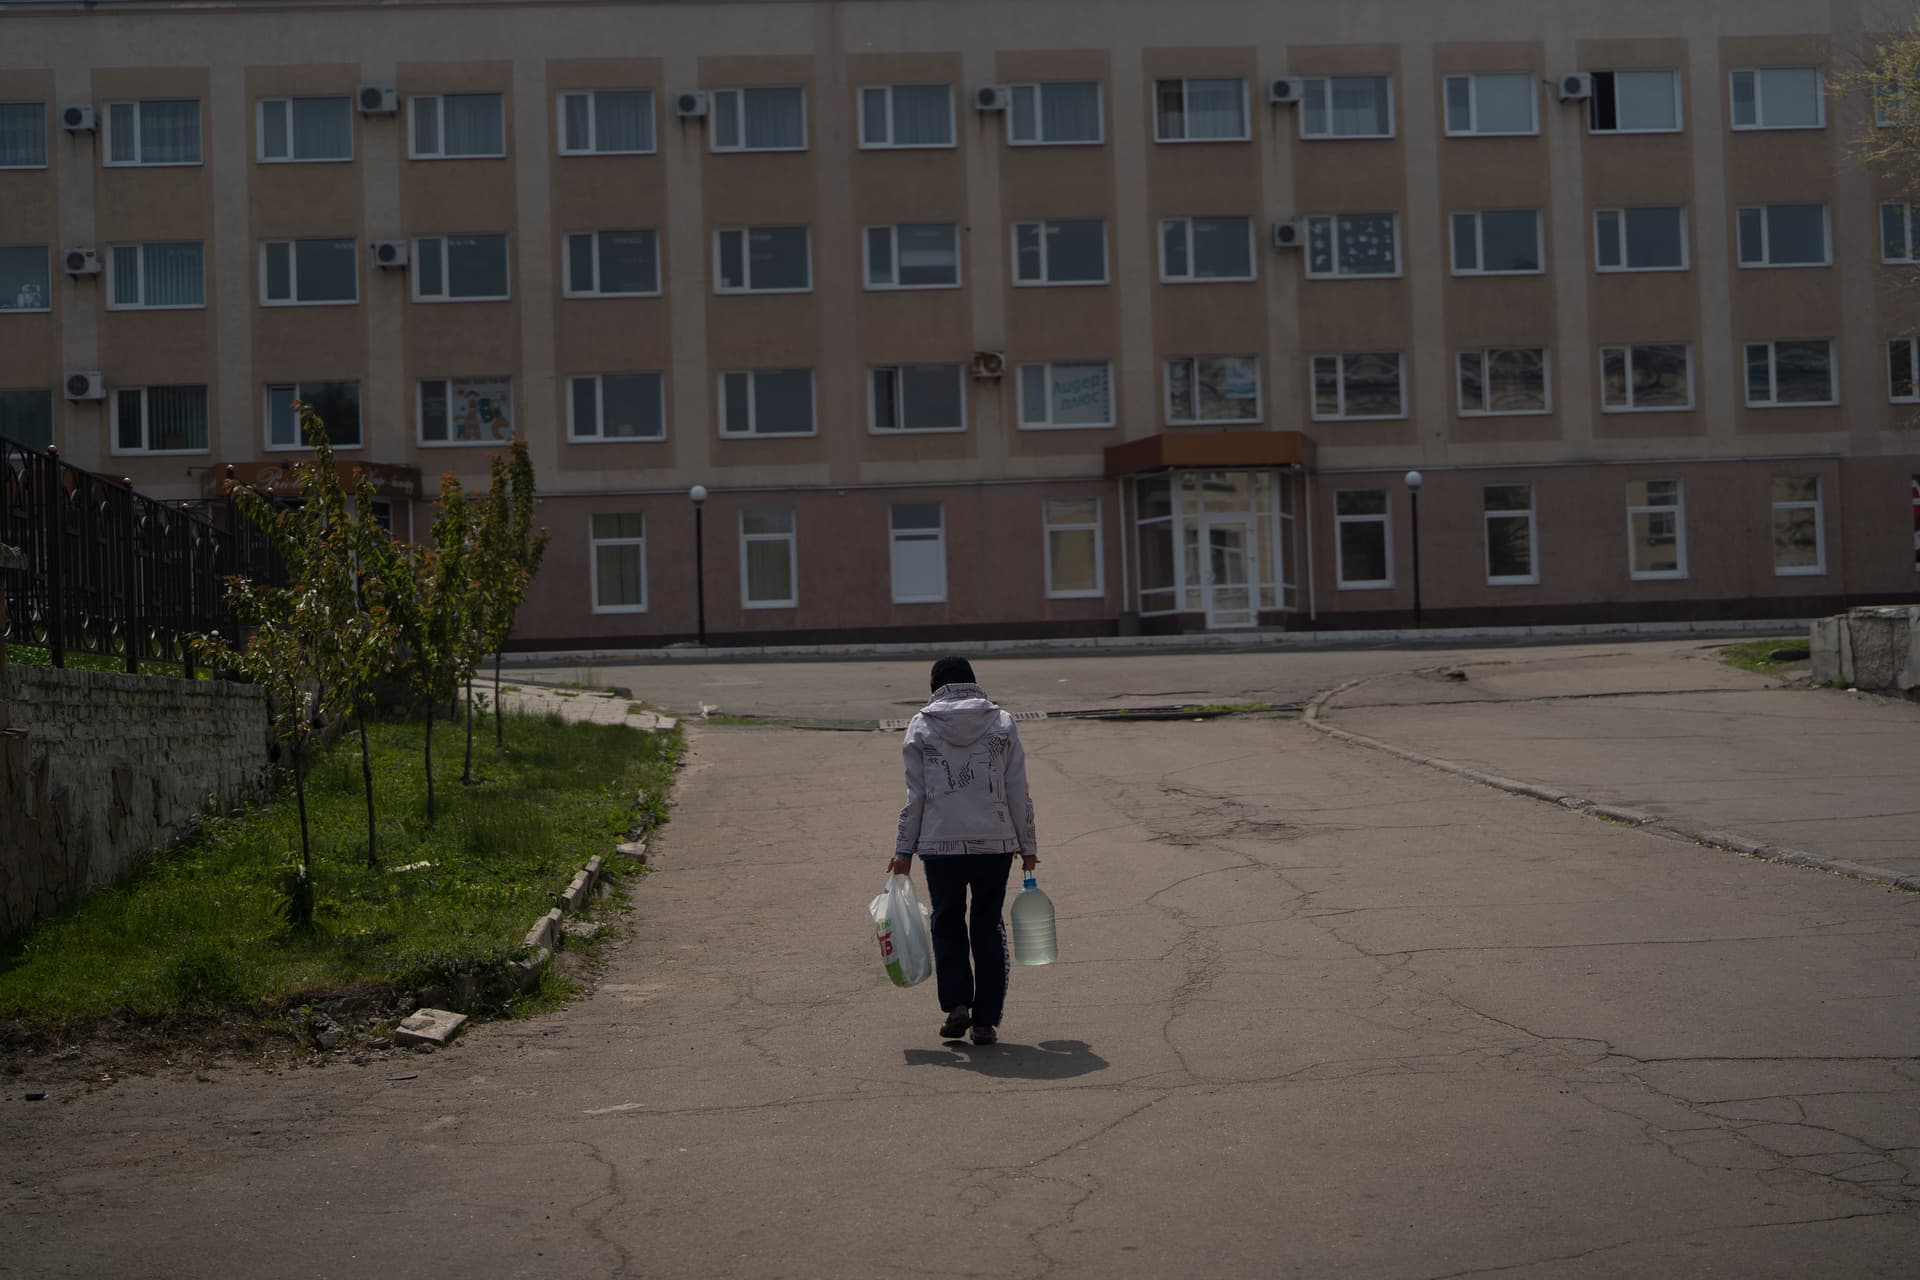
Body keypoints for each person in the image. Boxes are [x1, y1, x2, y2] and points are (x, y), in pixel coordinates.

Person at [888, 656, 1038, 1046]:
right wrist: (1028, 846)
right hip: (995, 843)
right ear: (972, 682)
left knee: (946, 921)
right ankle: (985, 1022)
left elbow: (915, 796)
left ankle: (957, 1004)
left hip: (939, 846)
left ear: (936, 686)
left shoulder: (922, 725)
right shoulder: (1002, 722)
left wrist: (903, 849)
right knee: (987, 926)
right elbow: (1017, 788)